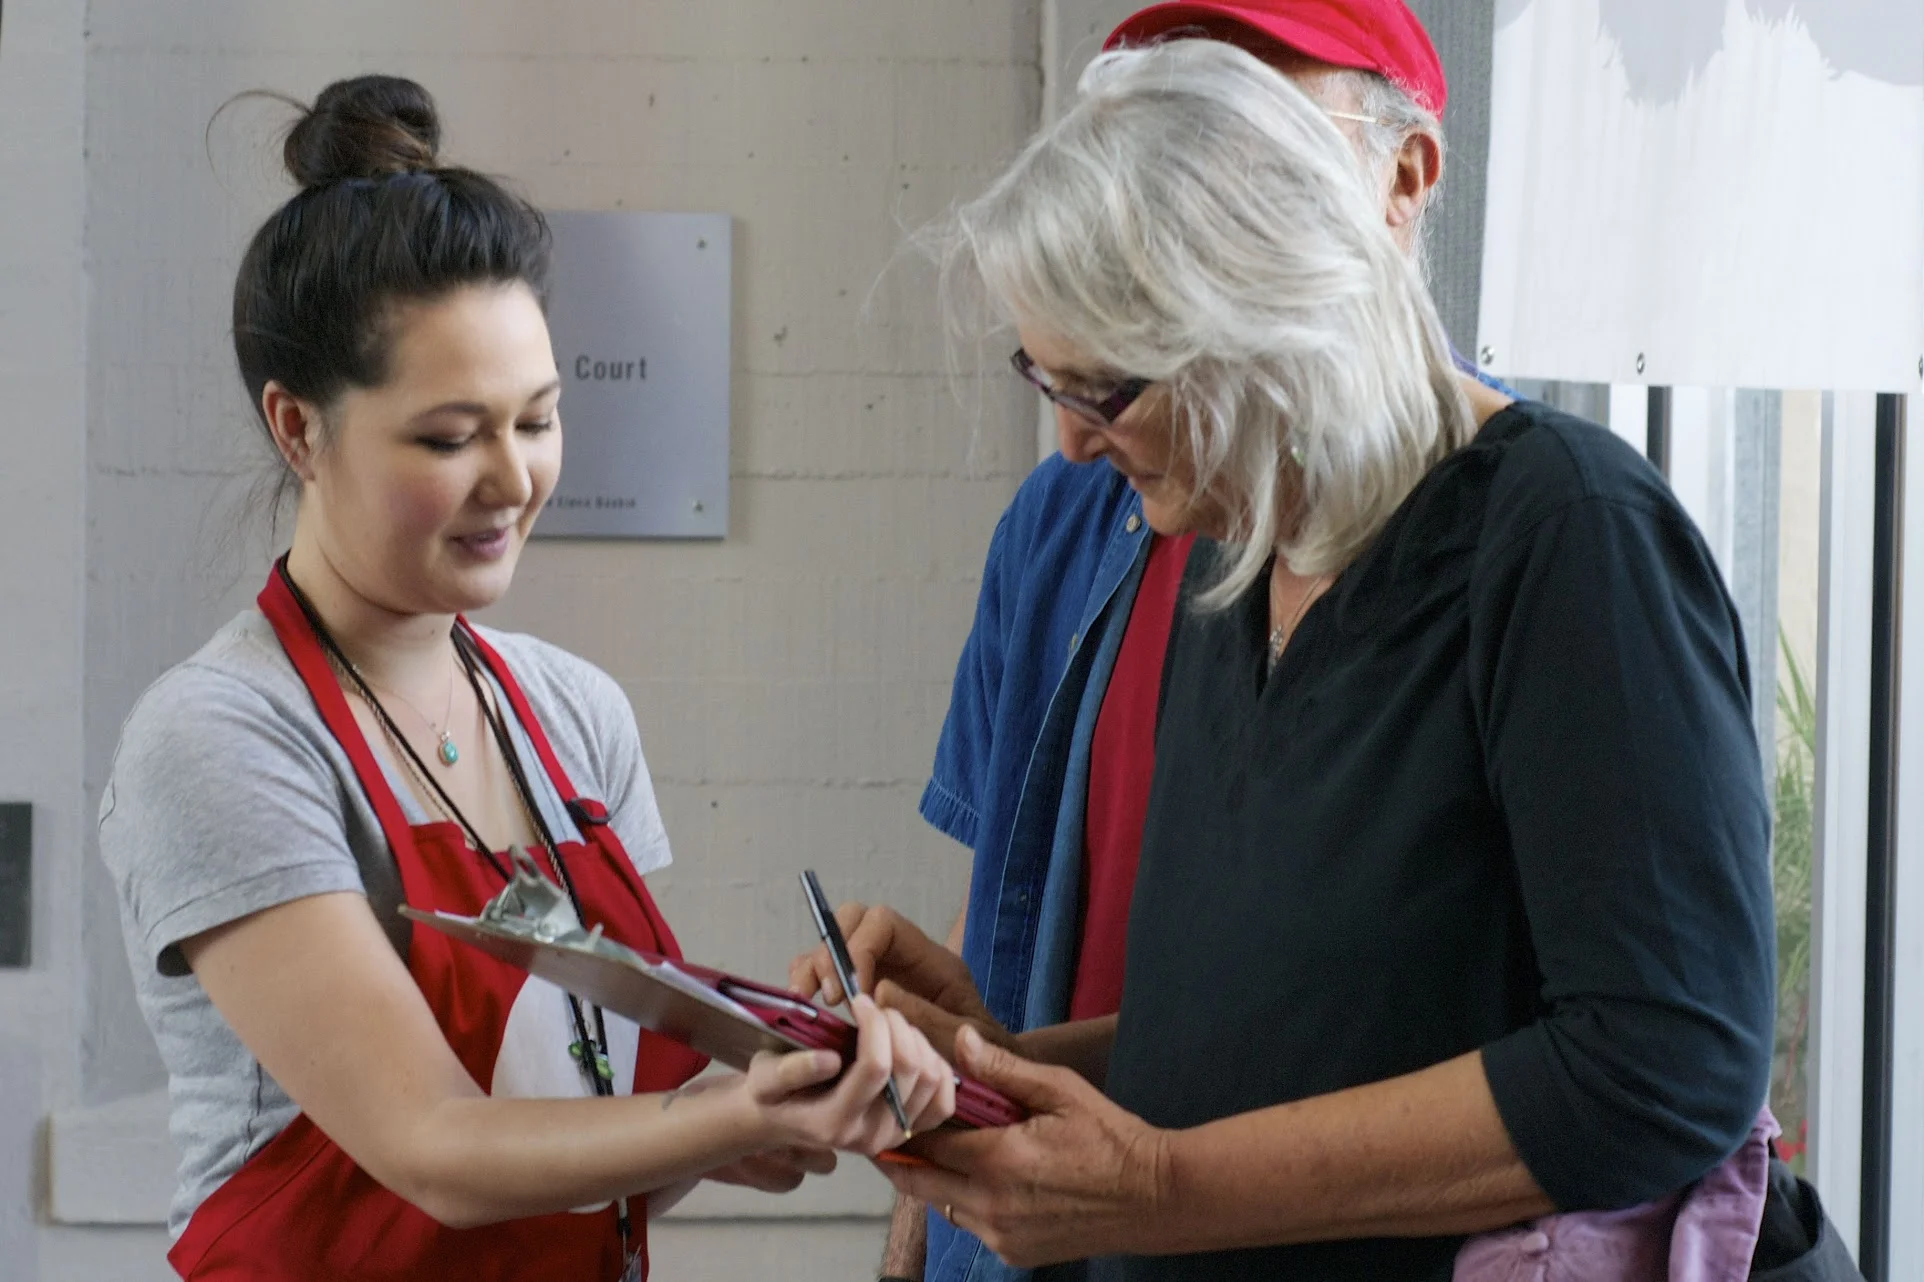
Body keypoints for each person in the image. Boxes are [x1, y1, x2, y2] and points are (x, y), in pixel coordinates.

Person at [798, 36, 1774, 1282]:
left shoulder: (1566, 533)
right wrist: (1004, 1062)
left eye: (1105, 391)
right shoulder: (1235, 556)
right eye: (1047, 377)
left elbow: (1661, 1060)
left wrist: (1155, 1189)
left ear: (1271, 315)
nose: (1071, 442)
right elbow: (1295, 1033)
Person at [98, 74, 955, 1282]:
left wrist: (772, 1096)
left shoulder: (569, 712)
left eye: (539, 419)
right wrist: (731, 1115)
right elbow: (435, 1146)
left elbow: (583, 1110)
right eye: (451, 438)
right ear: (298, 429)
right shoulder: (224, 738)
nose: (513, 479)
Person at [856, 4, 1500, 1279]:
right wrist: (945, 1162)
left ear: (1399, 179)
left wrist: (1158, 1186)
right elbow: (1021, 878)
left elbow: (1603, 1046)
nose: (1190, 174)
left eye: (1254, 126)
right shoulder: (1075, 515)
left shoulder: (1515, 523)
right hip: (1054, 1217)